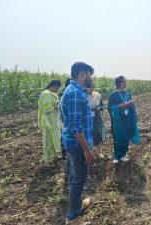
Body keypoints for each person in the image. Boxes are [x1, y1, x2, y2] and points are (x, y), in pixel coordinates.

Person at [61, 62, 95, 225]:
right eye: (90, 75)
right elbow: (75, 126)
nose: (91, 78)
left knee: (74, 176)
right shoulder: (75, 93)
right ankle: (73, 219)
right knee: (79, 179)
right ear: (82, 74)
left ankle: (76, 206)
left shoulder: (74, 90)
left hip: (73, 143)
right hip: (78, 145)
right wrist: (87, 150)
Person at [108, 76, 140, 164]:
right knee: (118, 137)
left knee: (126, 136)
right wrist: (118, 107)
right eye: (123, 82)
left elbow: (132, 107)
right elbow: (110, 108)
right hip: (117, 121)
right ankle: (116, 156)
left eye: (125, 81)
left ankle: (122, 155)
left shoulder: (128, 94)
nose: (125, 83)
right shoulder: (113, 95)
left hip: (127, 120)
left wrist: (130, 104)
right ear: (118, 83)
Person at [38, 79, 62, 165]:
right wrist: (55, 106)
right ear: (54, 86)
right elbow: (46, 110)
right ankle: (47, 160)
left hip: (52, 122)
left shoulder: (51, 94)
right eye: (58, 88)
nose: (58, 89)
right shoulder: (46, 94)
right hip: (47, 122)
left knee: (52, 140)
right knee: (47, 142)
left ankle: (55, 155)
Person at [87, 80, 106, 159]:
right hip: (87, 119)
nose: (91, 88)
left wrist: (98, 108)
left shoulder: (97, 95)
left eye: (92, 86)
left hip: (96, 118)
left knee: (97, 134)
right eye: (89, 87)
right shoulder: (83, 96)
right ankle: (90, 153)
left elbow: (102, 106)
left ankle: (99, 152)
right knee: (89, 135)